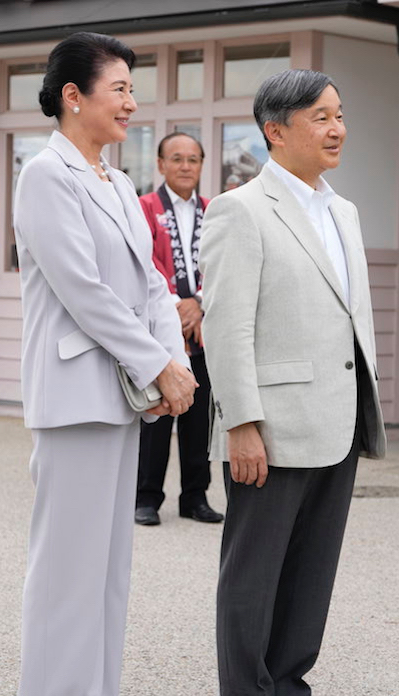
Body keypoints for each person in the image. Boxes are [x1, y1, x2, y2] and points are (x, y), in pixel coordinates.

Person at [13, 32, 196, 696]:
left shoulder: (118, 183)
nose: (131, 100)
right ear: (73, 96)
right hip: (75, 398)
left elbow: (152, 287)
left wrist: (174, 363)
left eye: (131, 87)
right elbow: (83, 291)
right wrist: (154, 363)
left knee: (109, 575)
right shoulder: (44, 176)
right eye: (118, 87)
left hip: (121, 398)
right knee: (67, 575)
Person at [200, 69, 386, 696]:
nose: (336, 128)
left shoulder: (344, 212)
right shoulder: (240, 209)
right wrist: (242, 423)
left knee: (312, 567)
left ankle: (288, 688)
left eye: (339, 115)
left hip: (337, 417)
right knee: (254, 568)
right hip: (271, 428)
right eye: (320, 117)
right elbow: (225, 324)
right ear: (276, 130)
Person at [135, 133, 224, 526]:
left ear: (202, 165)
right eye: (177, 158)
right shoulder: (144, 207)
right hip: (162, 329)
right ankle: (146, 497)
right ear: (161, 164)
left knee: (199, 416)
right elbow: (143, 262)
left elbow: (224, 262)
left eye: (193, 159)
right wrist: (177, 306)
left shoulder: (216, 210)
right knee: (158, 414)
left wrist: (200, 302)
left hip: (205, 326)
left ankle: (195, 497)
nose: (185, 166)